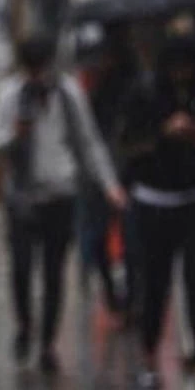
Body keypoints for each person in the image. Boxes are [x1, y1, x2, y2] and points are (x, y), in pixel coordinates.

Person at [0, 36, 127, 373]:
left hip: (60, 195)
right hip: (21, 196)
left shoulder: (68, 95)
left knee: (54, 271)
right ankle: (24, 325)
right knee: (21, 269)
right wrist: (15, 135)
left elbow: (88, 142)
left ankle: (48, 341)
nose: (37, 77)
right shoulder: (10, 96)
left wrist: (109, 185)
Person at [119, 35, 195, 390]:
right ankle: (148, 359)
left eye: (187, 68)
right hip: (155, 200)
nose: (181, 75)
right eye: (175, 68)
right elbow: (127, 145)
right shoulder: (144, 96)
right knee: (155, 283)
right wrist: (163, 133)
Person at [77, 26, 139, 321]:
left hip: (126, 173)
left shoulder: (131, 87)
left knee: (131, 238)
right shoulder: (88, 91)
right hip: (98, 178)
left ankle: (130, 296)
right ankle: (111, 292)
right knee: (98, 237)